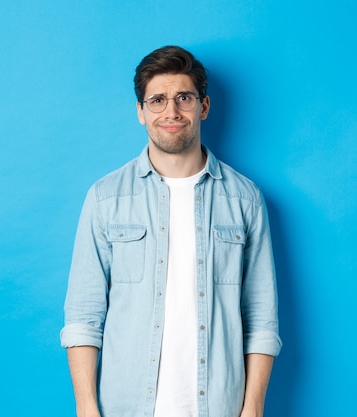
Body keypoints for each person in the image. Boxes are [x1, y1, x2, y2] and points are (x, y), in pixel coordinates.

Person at [60, 45, 281, 417]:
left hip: (219, 407)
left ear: (204, 107)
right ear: (141, 112)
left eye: (183, 98)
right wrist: (86, 407)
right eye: (158, 100)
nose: (171, 111)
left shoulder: (245, 199)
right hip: (126, 407)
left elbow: (261, 317)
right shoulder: (105, 198)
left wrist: (253, 407)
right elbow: (83, 316)